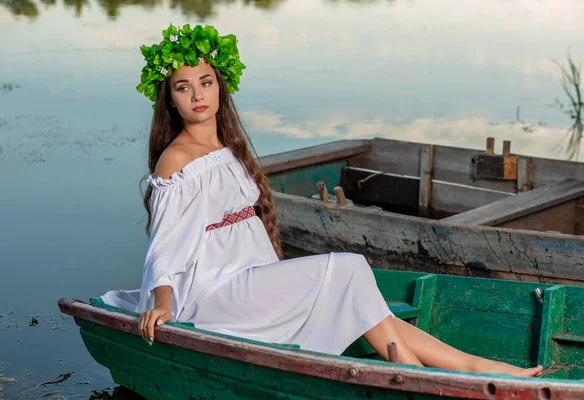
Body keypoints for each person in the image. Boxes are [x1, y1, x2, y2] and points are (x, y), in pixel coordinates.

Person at [101, 23, 542, 377]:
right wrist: (161, 304)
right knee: (349, 268)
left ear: (221, 86)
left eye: (205, 82)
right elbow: (166, 245)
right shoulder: (176, 160)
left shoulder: (228, 149)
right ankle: (416, 370)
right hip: (208, 292)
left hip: (249, 275)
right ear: (170, 99)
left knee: (364, 295)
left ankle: (469, 366)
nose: (197, 95)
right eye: (183, 87)